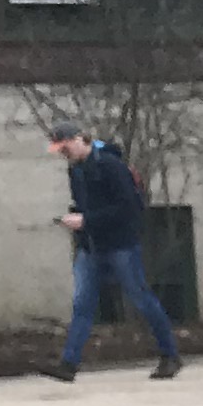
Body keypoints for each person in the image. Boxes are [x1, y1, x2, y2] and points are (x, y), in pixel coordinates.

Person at [36, 121, 180, 382]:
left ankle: (170, 355)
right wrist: (79, 221)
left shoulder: (111, 166)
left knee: (141, 299)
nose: (62, 153)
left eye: (64, 147)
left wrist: (86, 221)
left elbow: (129, 208)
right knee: (82, 304)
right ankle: (68, 364)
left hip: (120, 245)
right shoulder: (76, 170)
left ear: (79, 139)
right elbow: (86, 205)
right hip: (91, 246)